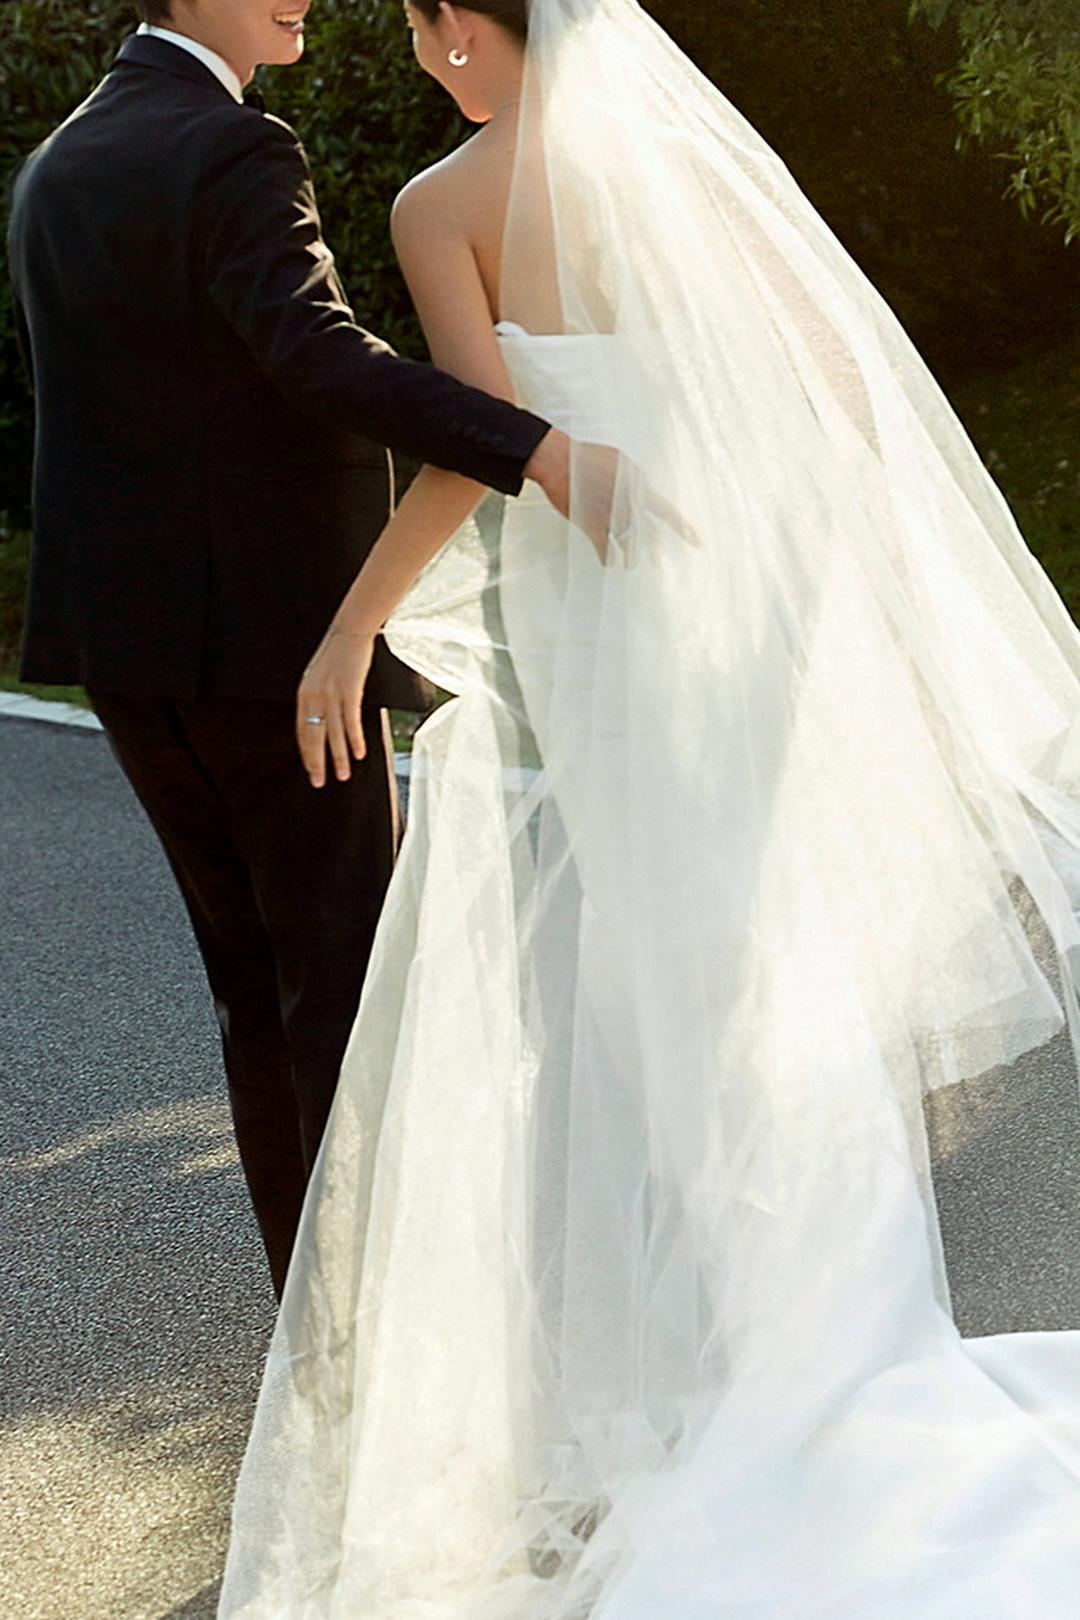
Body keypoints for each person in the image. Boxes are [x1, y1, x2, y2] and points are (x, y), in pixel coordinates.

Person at [220, 0, 1080, 1613]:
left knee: (675, 997)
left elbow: (480, 445)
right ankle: (846, 1353)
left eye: (416, 21)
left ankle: (777, 1385)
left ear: (457, 30)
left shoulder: (439, 206)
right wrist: (795, 574)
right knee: (767, 974)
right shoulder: (679, 174)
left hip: (616, 644)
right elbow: (837, 378)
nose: (415, 48)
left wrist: (352, 627)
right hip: (746, 629)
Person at [6, 0, 575, 1301]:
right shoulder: (233, 145)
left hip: (129, 656)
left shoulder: (60, 160)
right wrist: (531, 445)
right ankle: (368, 1347)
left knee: (256, 998)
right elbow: (313, 353)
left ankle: (313, 1331)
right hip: (286, 653)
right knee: (346, 1001)